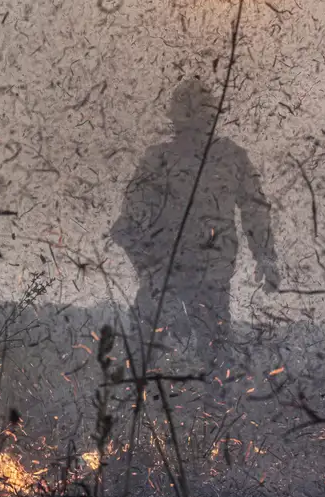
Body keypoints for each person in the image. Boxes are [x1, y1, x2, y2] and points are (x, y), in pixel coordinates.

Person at [110, 79, 279, 375]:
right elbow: (127, 228)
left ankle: (214, 410)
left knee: (217, 364)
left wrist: (265, 256)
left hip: (205, 280)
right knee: (139, 366)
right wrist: (153, 276)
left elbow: (255, 209)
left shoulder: (229, 157)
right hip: (168, 279)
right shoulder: (160, 160)